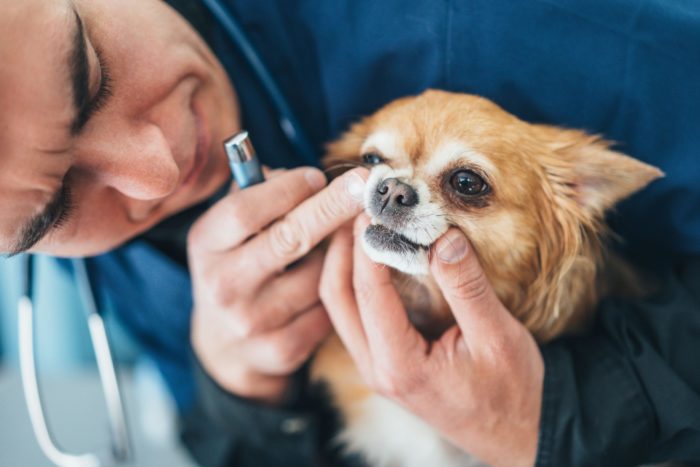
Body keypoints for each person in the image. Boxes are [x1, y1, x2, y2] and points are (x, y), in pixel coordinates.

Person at [1, 0, 699, 466]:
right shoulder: (98, 261)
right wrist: (239, 396)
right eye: (55, 206)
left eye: (89, 79)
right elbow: (220, 444)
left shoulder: (495, 19)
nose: (157, 172)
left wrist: (557, 416)